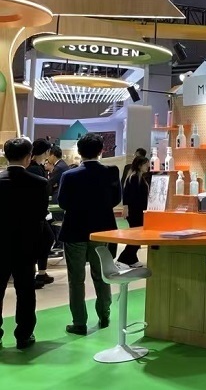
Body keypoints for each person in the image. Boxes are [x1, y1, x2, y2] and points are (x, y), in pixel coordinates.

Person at [58, 134, 121, 335]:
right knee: (101, 275)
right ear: (101, 150)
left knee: (76, 279)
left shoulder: (69, 175)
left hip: (74, 230)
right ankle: (104, 314)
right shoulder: (111, 172)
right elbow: (115, 199)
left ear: (79, 151)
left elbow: (63, 203)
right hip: (102, 231)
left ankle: (79, 322)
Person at [0, 138, 50, 349]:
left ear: (6, 156)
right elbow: (40, 215)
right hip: (26, 245)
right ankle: (24, 334)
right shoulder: (39, 183)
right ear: (29, 157)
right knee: (25, 291)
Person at [28, 139, 55, 289]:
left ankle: (41, 273)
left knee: (46, 240)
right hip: (35, 214)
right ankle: (37, 274)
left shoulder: (36, 167)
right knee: (44, 240)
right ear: (46, 152)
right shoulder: (35, 169)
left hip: (37, 213)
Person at [117, 155, 149, 268]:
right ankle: (122, 259)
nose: (148, 166)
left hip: (138, 211)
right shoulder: (134, 178)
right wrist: (126, 208)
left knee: (137, 236)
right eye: (145, 164)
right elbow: (128, 195)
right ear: (140, 165)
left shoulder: (139, 177)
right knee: (137, 237)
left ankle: (132, 259)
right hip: (135, 212)